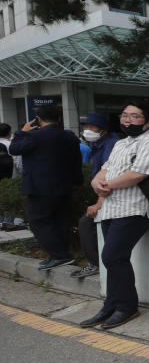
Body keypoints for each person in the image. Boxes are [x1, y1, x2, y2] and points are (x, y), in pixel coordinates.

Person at [78, 101, 149, 330]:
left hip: (135, 208)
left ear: (148, 121)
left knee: (113, 257)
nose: (128, 120)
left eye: (135, 116)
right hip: (112, 208)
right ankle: (110, 305)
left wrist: (107, 185)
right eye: (124, 115)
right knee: (111, 258)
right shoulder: (121, 143)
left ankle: (127, 306)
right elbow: (106, 167)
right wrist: (96, 182)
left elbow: (138, 174)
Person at [9, 105, 83, 270]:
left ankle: (60, 256)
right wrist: (78, 181)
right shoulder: (69, 136)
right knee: (60, 220)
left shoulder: (34, 136)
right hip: (65, 186)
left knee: (38, 221)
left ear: (38, 118)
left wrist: (22, 132)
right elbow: (76, 162)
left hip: (40, 188)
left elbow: (14, 149)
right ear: (59, 118)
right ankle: (61, 254)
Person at [71, 112, 118, 278]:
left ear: (103, 129)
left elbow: (109, 176)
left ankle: (95, 264)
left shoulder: (111, 145)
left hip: (113, 195)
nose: (87, 130)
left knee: (86, 222)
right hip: (106, 194)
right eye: (85, 126)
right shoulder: (98, 144)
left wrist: (99, 204)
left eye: (92, 127)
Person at [0, 122, 24, 230]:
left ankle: (1, 223)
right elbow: (19, 165)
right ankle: (8, 223)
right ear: (9, 133)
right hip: (11, 178)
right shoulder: (12, 145)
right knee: (9, 200)